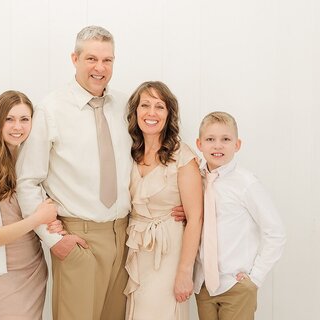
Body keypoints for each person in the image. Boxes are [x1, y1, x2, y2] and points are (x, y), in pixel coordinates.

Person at [16, 26, 185, 320]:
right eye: (91, 59)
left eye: (107, 60)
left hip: (124, 237)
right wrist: (54, 239)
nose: (100, 68)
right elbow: (27, 180)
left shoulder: (125, 105)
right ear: (75, 58)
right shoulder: (51, 108)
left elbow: (148, 154)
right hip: (77, 238)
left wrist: (173, 201)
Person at [0, 90, 63, 319]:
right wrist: (37, 219)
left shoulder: (34, 162)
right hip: (1, 274)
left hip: (33, 268)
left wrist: (51, 224)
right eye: (10, 119)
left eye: (24, 119)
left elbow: (43, 209)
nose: (17, 126)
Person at [193, 111, 287, 320]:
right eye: (210, 139)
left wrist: (255, 278)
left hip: (236, 285)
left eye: (225, 139)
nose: (218, 146)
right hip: (203, 285)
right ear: (199, 144)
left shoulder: (246, 183)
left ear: (237, 145)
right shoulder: (194, 179)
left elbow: (275, 232)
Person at [123, 81, 203, 320]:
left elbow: (195, 217)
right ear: (135, 112)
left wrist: (184, 272)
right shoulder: (128, 153)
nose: (151, 113)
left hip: (169, 253)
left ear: (169, 115)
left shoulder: (183, 157)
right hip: (136, 250)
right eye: (145, 105)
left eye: (160, 107)